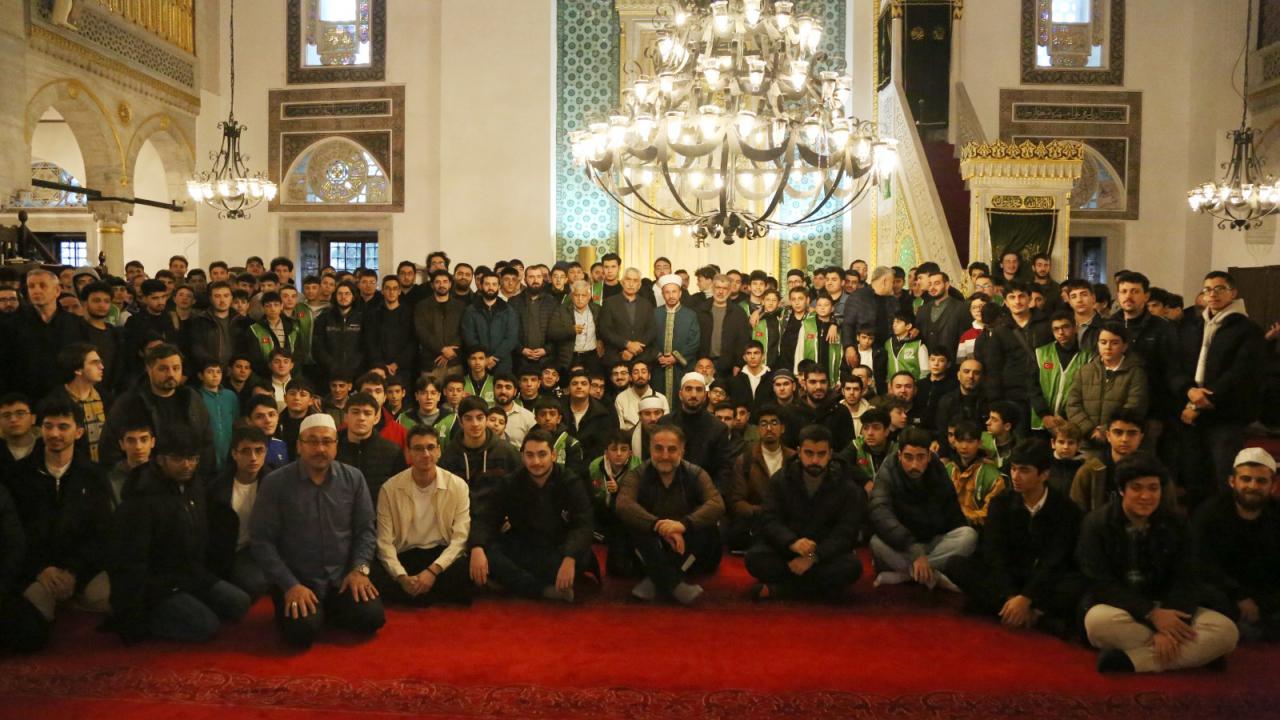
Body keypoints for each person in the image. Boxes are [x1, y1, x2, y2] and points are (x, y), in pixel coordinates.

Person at [1079, 454, 1239, 673]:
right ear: (1122, 490)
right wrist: (1152, 615)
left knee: (1227, 632)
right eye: (1137, 488)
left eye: (1153, 488)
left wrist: (1168, 623)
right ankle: (1195, 654)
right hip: (1123, 608)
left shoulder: (1177, 523)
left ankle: (1131, 661)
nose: (1146, 496)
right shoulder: (1096, 524)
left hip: (1169, 606)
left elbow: (1188, 576)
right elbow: (1099, 582)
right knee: (1097, 623)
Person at [250, 414, 385, 649]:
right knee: (302, 633)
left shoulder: (353, 479)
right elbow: (261, 541)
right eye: (312, 441)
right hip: (297, 580)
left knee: (372, 618)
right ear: (299, 446)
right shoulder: (275, 483)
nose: (320, 448)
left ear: (336, 445)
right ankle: (313, 613)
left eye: (327, 441)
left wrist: (359, 570)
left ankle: (323, 611)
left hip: (342, 579)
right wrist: (290, 585)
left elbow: (366, 530)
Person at [110, 430, 251, 644]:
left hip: (191, 574)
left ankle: (189, 606)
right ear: (160, 460)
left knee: (240, 603)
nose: (187, 465)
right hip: (159, 585)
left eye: (192, 458)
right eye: (178, 459)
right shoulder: (141, 497)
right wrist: (132, 612)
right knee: (207, 626)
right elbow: (131, 561)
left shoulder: (194, 485)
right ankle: (151, 621)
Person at [948, 439, 1085, 636]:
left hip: (1044, 580)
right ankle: (1023, 613)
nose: (1015, 476)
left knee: (1077, 584)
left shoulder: (1065, 509)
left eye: (1024, 470)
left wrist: (1027, 597)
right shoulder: (1001, 503)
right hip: (1009, 576)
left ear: (1044, 474)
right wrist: (1011, 595)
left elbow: (1056, 559)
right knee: (956, 564)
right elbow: (995, 553)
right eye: (1013, 469)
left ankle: (1023, 612)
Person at [6, 398, 114, 628]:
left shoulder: (94, 476)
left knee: (110, 599)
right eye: (48, 426)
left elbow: (103, 533)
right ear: (40, 429)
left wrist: (74, 572)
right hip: (37, 568)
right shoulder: (19, 475)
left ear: (79, 432)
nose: (55, 434)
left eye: (63, 427)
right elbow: (15, 532)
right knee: (33, 613)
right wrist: (41, 569)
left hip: (81, 568)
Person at [469, 429, 595, 602]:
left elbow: (584, 524)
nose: (536, 462)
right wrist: (477, 547)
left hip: (560, 548)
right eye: (530, 455)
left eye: (542, 454)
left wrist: (570, 557)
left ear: (553, 455)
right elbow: (487, 517)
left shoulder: (570, 481)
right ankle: (544, 590)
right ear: (522, 457)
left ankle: (514, 583)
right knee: (486, 554)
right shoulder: (511, 482)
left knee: (577, 558)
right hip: (525, 546)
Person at [1177, 271, 1266, 506]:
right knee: (1194, 476)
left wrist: (1201, 402)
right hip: (1191, 411)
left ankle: (1226, 521)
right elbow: (1177, 365)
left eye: (1219, 289)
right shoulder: (1192, 326)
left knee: (1223, 476)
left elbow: (1241, 373)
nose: (1212, 294)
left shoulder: (1248, 329)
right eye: (1207, 289)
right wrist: (1189, 391)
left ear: (1233, 293)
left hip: (1225, 414)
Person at [746, 424, 864, 601]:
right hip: (789, 549)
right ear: (799, 452)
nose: (815, 460)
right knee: (755, 558)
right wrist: (792, 542)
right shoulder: (781, 479)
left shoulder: (846, 486)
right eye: (809, 453)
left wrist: (813, 557)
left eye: (821, 454)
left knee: (851, 567)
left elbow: (846, 532)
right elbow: (769, 520)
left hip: (823, 554)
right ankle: (817, 590)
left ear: (830, 454)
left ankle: (783, 590)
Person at [616, 425, 725, 605]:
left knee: (707, 527)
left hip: (687, 547)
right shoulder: (637, 474)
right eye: (658, 448)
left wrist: (682, 525)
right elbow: (623, 504)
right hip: (652, 543)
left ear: (682, 451)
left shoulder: (696, 473)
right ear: (650, 449)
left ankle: (656, 579)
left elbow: (716, 504)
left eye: (672, 449)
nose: (665, 455)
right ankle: (674, 584)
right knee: (633, 524)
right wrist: (658, 525)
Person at [372, 425, 472, 606]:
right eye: (418, 448)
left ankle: (418, 596)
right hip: (406, 553)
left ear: (439, 450)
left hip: (440, 555)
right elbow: (384, 541)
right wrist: (401, 576)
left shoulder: (457, 485)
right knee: (378, 575)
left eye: (430, 447)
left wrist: (432, 571)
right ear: (408, 453)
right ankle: (422, 593)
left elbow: (460, 538)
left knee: (464, 573)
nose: (425, 454)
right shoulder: (390, 489)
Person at [868, 426, 977, 591]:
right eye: (908, 457)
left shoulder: (937, 469)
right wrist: (914, 550)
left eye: (920, 457)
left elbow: (951, 510)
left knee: (968, 536)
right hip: (902, 544)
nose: (914, 465)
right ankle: (933, 574)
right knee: (876, 543)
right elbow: (880, 513)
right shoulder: (888, 471)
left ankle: (906, 575)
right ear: (899, 455)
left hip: (932, 541)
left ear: (929, 456)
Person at [1193, 447, 1280, 642]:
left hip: (1266, 593)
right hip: (1225, 592)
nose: (1253, 486)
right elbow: (1202, 563)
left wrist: (1261, 603)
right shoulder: (1209, 513)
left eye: (1261, 481)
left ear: (1273, 485)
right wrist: (1240, 596)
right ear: (1232, 481)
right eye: (1246, 479)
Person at [102, 343, 215, 477]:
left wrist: (200, 476)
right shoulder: (129, 403)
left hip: (188, 477)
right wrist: (134, 477)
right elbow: (109, 447)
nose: (171, 374)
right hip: (145, 481)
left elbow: (207, 442)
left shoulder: (191, 399)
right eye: (163, 369)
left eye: (176, 368)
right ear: (149, 369)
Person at [1066, 322, 1148, 448]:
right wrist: (1090, 430)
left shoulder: (1135, 373)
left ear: (1124, 346)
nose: (1108, 347)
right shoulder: (1085, 371)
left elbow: (1134, 406)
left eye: (1114, 343)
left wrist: (1106, 430)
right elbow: (1072, 404)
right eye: (1103, 342)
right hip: (1086, 441)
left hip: (1120, 442)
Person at [725, 405, 793, 552]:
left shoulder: (794, 459)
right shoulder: (745, 460)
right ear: (758, 429)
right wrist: (762, 512)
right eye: (763, 424)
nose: (769, 428)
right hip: (756, 522)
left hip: (787, 522)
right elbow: (737, 502)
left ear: (782, 428)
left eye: (774, 423)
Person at [658, 372, 734, 493]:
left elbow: (724, 469)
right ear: (680, 394)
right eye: (689, 389)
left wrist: (712, 497)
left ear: (705, 395)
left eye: (699, 390)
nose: (693, 394)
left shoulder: (718, 428)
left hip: (705, 494)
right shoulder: (665, 423)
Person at [337, 392, 407, 501]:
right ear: (346, 417)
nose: (361, 418)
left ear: (376, 418)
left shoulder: (392, 452)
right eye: (355, 412)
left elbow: (401, 493)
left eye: (367, 413)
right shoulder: (332, 449)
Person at [1029, 310, 1091, 433]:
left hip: (1070, 423)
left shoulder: (1088, 357)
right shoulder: (1041, 353)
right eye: (1056, 329)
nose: (1061, 332)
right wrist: (1044, 415)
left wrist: (1063, 417)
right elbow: (1032, 387)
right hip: (1042, 423)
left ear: (1075, 328)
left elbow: (1086, 392)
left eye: (1065, 327)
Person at [946, 419, 1006, 527]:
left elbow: (991, 513)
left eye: (970, 441)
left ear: (979, 443)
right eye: (960, 441)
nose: (964, 446)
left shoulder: (992, 476)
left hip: (978, 529)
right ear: (954, 442)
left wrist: (962, 517)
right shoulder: (948, 469)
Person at [460, 271, 520, 376]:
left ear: (499, 286)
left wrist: (495, 357)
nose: (490, 287)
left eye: (494, 284)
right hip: (478, 363)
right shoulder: (470, 310)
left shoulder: (509, 310)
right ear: (481, 286)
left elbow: (511, 338)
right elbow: (469, 336)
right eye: (487, 284)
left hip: (503, 363)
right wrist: (484, 358)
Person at [413, 269, 466, 382]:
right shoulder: (421, 306)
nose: (442, 285)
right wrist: (442, 349)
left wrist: (450, 352)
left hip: (454, 362)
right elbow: (421, 332)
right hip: (430, 363)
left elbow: (464, 331)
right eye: (438, 282)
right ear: (432, 285)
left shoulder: (460, 306)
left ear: (450, 284)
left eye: (445, 281)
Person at [652, 274, 701, 396]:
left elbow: (694, 342)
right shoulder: (654, 314)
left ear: (680, 293)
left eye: (674, 291)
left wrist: (675, 358)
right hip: (659, 366)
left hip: (682, 367)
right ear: (663, 294)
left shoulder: (690, 315)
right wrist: (659, 356)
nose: (671, 295)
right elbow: (649, 339)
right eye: (667, 292)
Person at [697, 274, 751, 381]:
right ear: (712, 288)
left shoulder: (738, 313)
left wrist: (739, 364)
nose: (721, 292)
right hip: (703, 364)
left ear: (730, 290)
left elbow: (743, 340)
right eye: (718, 287)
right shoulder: (701, 310)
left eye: (725, 288)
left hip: (729, 367)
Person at [598, 267, 655, 367]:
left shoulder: (647, 304)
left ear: (639, 285)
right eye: (628, 279)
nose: (631, 284)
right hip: (616, 357)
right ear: (622, 282)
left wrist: (635, 349)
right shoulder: (609, 303)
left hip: (641, 358)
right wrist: (627, 344)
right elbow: (605, 330)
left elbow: (652, 330)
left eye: (635, 281)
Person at [313, 281, 366, 386]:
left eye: (347, 294)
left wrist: (354, 365)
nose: (343, 297)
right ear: (335, 296)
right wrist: (331, 365)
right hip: (328, 372)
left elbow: (365, 346)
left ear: (353, 297)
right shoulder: (324, 317)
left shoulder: (362, 318)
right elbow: (317, 346)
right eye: (340, 294)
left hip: (356, 372)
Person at [550, 280, 604, 372]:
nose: (580, 298)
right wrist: (571, 330)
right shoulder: (561, 310)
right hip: (570, 357)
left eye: (583, 295)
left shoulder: (597, 309)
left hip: (592, 356)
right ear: (571, 296)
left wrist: (600, 341)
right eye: (576, 295)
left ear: (589, 296)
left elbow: (603, 329)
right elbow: (552, 332)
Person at [614, 359, 667, 432]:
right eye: (636, 373)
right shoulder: (621, 398)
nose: (640, 375)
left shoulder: (661, 398)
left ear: (649, 376)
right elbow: (621, 428)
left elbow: (666, 426)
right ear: (630, 377)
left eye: (643, 372)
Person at [493, 373, 535, 446]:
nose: (503, 391)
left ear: (515, 391)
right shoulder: (485, 414)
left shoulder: (529, 418)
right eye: (499, 387)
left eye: (508, 387)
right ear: (493, 389)